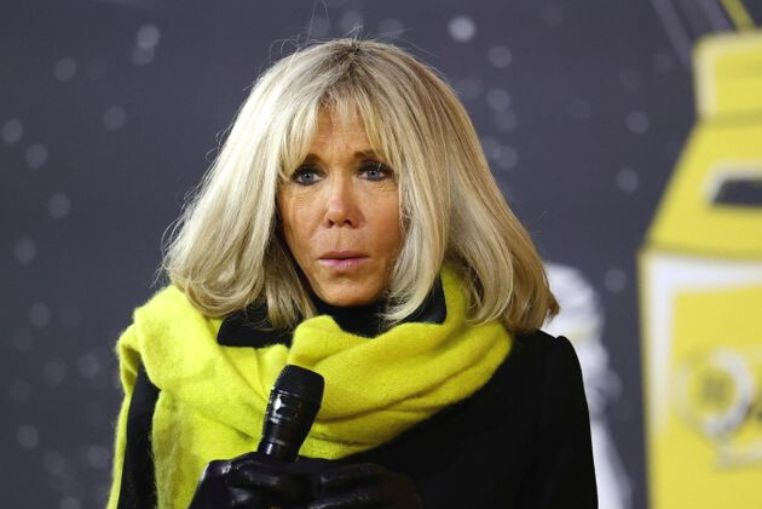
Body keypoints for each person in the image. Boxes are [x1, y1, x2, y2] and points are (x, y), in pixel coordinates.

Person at [106, 36, 598, 509]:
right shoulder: (177, 356)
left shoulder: (530, 378)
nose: (338, 210)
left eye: (374, 170)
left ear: (437, 189)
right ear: (265, 196)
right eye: (306, 174)